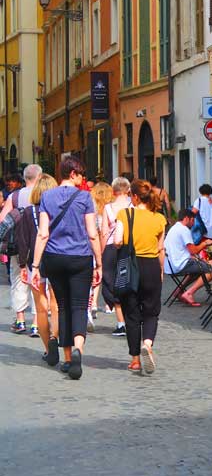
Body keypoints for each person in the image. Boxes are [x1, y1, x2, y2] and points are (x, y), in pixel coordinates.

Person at [30, 156, 103, 380]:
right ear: (73, 174)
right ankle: (79, 348)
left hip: (54, 257)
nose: (83, 179)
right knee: (79, 306)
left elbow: (43, 233)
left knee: (62, 306)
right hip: (80, 258)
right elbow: (92, 233)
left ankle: (68, 358)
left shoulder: (47, 197)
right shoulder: (84, 198)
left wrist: (35, 266)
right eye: (81, 174)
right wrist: (99, 262)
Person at [115, 179, 167, 374]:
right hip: (152, 267)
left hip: (131, 267)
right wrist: (161, 271)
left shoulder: (124, 214)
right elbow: (161, 248)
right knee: (151, 311)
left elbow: (117, 240)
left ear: (135, 197)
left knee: (132, 314)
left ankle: (135, 359)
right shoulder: (159, 219)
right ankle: (148, 343)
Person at [16, 173, 59, 363]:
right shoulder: (59, 210)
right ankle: (54, 338)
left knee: (41, 309)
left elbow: (23, 242)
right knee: (56, 306)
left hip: (36, 263)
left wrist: (23, 265)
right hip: (56, 260)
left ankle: (47, 349)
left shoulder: (28, 212)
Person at [1, 163, 42, 335]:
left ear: (25, 178)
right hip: (39, 245)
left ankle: (20, 320)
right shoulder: (44, 195)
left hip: (18, 245)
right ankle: (37, 323)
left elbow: (3, 221)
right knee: (38, 282)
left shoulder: (15, 196)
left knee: (18, 280)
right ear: (40, 177)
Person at [164, 209, 212, 306]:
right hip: (180, 265)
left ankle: (178, 291)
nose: (193, 224)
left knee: (198, 269)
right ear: (186, 219)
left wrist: (196, 257)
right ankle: (189, 293)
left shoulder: (174, 228)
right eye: (192, 220)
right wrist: (205, 243)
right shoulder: (184, 229)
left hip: (170, 265)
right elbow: (193, 250)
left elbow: (187, 251)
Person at [100, 177, 132, 336]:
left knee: (111, 283)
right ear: (128, 191)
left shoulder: (108, 208)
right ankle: (131, 319)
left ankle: (121, 323)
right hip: (130, 248)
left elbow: (104, 233)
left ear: (113, 191)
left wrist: (100, 254)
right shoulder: (134, 207)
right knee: (128, 282)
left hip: (111, 248)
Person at [88, 181, 114, 331]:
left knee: (95, 272)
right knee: (107, 274)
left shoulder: (91, 207)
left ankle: (93, 303)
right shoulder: (112, 208)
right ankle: (108, 304)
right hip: (109, 244)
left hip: (94, 244)